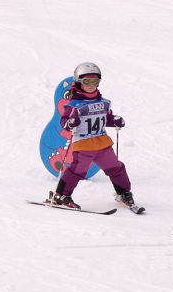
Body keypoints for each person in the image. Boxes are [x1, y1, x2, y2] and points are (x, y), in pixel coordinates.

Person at [47, 62, 137, 210]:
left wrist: (114, 121)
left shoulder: (103, 102)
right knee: (77, 170)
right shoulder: (74, 104)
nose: (91, 85)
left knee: (115, 167)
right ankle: (61, 195)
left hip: (102, 143)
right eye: (87, 81)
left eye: (95, 81)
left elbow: (105, 118)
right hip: (83, 144)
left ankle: (124, 192)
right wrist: (71, 123)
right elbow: (64, 123)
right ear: (79, 81)